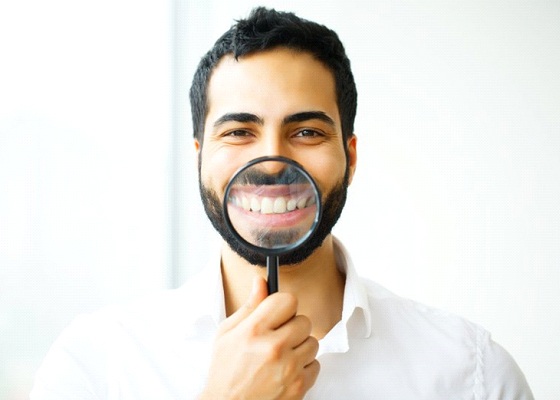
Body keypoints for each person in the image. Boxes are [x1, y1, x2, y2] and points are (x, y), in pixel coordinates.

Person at [31, 7, 534, 399]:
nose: (272, 160)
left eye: (307, 131)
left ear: (350, 158)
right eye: (239, 131)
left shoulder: (473, 375)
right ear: (200, 159)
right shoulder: (97, 364)